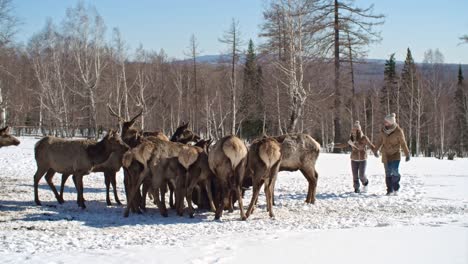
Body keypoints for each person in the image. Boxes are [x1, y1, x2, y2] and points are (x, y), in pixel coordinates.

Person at [373, 113, 410, 196]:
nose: (384, 123)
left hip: (395, 153)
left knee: (394, 170)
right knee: (388, 172)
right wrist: (375, 150)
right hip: (385, 154)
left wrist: (407, 154)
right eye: (384, 121)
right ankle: (389, 190)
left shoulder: (398, 131)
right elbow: (379, 141)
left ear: (391, 122)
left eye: (386, 121)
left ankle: (396, 187)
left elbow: (403, 143)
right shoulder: (383, 130)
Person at [347, 121, 376, 193]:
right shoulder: (351, 139)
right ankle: (356, 189)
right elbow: (344, 144)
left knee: (361, 175)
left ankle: (365, 183)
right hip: (353, 159)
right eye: (352, 130)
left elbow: (370, 145)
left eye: (355, 130)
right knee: (355, 176)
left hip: (363, 159)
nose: (353, 132)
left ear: (359, 131)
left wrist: (375, 151)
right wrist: (334, 145)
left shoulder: (364, 138)